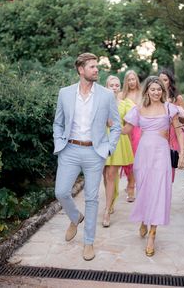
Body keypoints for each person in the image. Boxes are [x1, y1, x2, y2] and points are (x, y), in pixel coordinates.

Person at [53, 53, 121, 261]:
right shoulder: (65, 93)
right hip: (69, 150)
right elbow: (58, 122)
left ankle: (88, 243)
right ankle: (75, 217)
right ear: (81, 70)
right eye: (91, 67)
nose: (96, 70)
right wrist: (59, 142)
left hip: (95, 152)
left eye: (96, 66)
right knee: (61, 192)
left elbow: (116, 125)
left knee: (92, 198)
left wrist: (108, 148)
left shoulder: (106, 95)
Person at [122, 76, 184, 257]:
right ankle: (143, 218)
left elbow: (179, 130)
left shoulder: (169, 108)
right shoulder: (139, 109)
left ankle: (152, 234)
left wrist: (182, 154)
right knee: (144, 190)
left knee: (159, 191)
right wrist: (108, 124)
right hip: (143, 155)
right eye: (153, 89)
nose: (156, 92)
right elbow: (126, 129)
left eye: (159, 89)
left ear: (163, 91)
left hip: (161, 155)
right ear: (147, 91)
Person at [102, 75, 134, 227]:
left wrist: (120, 129)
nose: (114, 87)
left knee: (111, 174)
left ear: (120, 87)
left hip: (118, 142)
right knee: (105, 175)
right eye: (111, 85)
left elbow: (131, 123)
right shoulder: (100, 104)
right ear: (106, 87)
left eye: (117, 85)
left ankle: (107, 210)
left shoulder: (125, 104)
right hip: (102, 141)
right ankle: (112, 198)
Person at [158, 69, 184, 182]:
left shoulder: (177, 98)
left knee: (170, 169)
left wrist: (178, 113)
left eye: (165, 80)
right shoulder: (154, 97)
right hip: (159, 134)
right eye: (160, 79)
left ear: (170, 82)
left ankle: (166, 194)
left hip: (174, 134)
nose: (162, 82)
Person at [118, 70, 142, 202]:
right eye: (129, 79)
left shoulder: (142, 94)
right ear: (126, 81)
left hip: (139, 131)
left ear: (137, 80)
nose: (132, 82)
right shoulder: (122, 95)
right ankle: (130, 184)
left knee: (138, 159)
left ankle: (135, 185)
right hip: (126, 131)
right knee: (128, 159)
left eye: (133, 79)